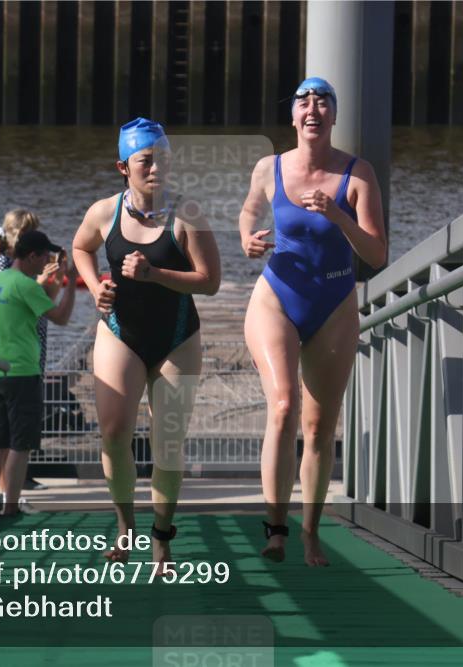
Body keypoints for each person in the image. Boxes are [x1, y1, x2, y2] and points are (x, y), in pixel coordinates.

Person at [238, 77, 387, 566]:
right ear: (294, 118)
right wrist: (248, 239)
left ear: (333, 117)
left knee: (320, 426)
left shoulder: (357, 174)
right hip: (277, 298)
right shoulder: (269, 167)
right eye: (303, 101)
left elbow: (378, 255)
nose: (313, 109)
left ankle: (309, 532)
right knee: (282, 406)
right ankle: (275, 529)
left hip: (334, 303)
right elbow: (249, 212)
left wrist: (339, 217)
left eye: (323, 103)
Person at [73, 117, 221, 573]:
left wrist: (155, 274)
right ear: (124, 167)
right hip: (121, 332)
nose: (156, 169)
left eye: (164, 160)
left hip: (177, 338)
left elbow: (210, 282)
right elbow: (80, 248)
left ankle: (162, 537)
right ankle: (124, 526)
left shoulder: (188, 214)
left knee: (168, 443)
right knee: (115, 432)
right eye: (146, 161)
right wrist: (93, 286)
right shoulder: (104, 212)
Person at [0, 230, 77, 515]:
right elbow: (60, 317)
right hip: (23, 370)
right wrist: (71, 281)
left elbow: (41, 300)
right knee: (21, 443)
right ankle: (10, 506)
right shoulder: (25, 285)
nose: (45, 263)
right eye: (44, 258)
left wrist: (54, 281)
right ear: (32, 255)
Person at [0, 209, 65, 491]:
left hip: (32, 347)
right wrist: (42, 282)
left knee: (22, 426)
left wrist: (53, 282)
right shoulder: (4, 265)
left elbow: (44, 303)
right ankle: (7, 488)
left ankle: (20, 477)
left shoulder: (23, 267)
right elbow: (14, 300)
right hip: (14, 355)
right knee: (11, 429)